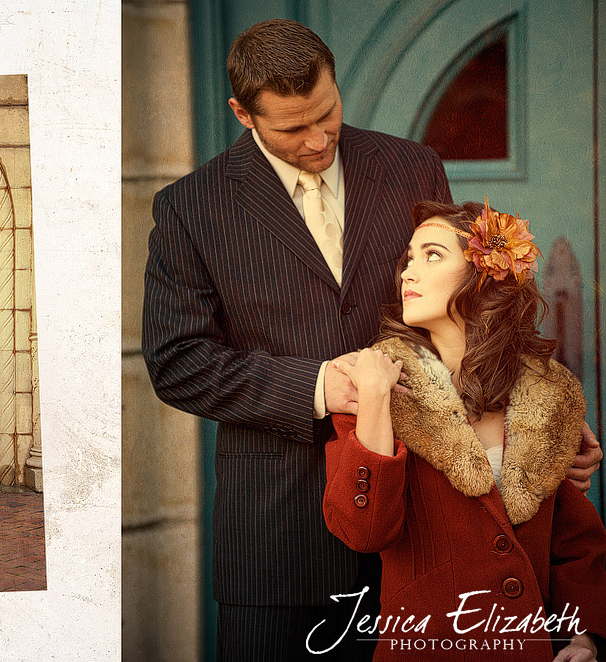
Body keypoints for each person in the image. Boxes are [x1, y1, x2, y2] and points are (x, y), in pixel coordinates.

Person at [140, 18, 602, 660]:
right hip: (280, 542)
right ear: (242, 114)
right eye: (291, 128)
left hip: (428, 538)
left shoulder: (411, 165)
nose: (317, 139)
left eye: (326, 114)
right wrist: (324, 385)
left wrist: (542, 417)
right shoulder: (190, 208)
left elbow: (468, 298)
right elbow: (176, 361)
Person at [322, 200, 606, 660]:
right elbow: (365, 531)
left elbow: (577, 544)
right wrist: (374, 401)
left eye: (431, 255)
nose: (408, 273)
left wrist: (585, 636)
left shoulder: (550, 394)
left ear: (484, 275)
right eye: (408, 259)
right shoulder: (375, 385)